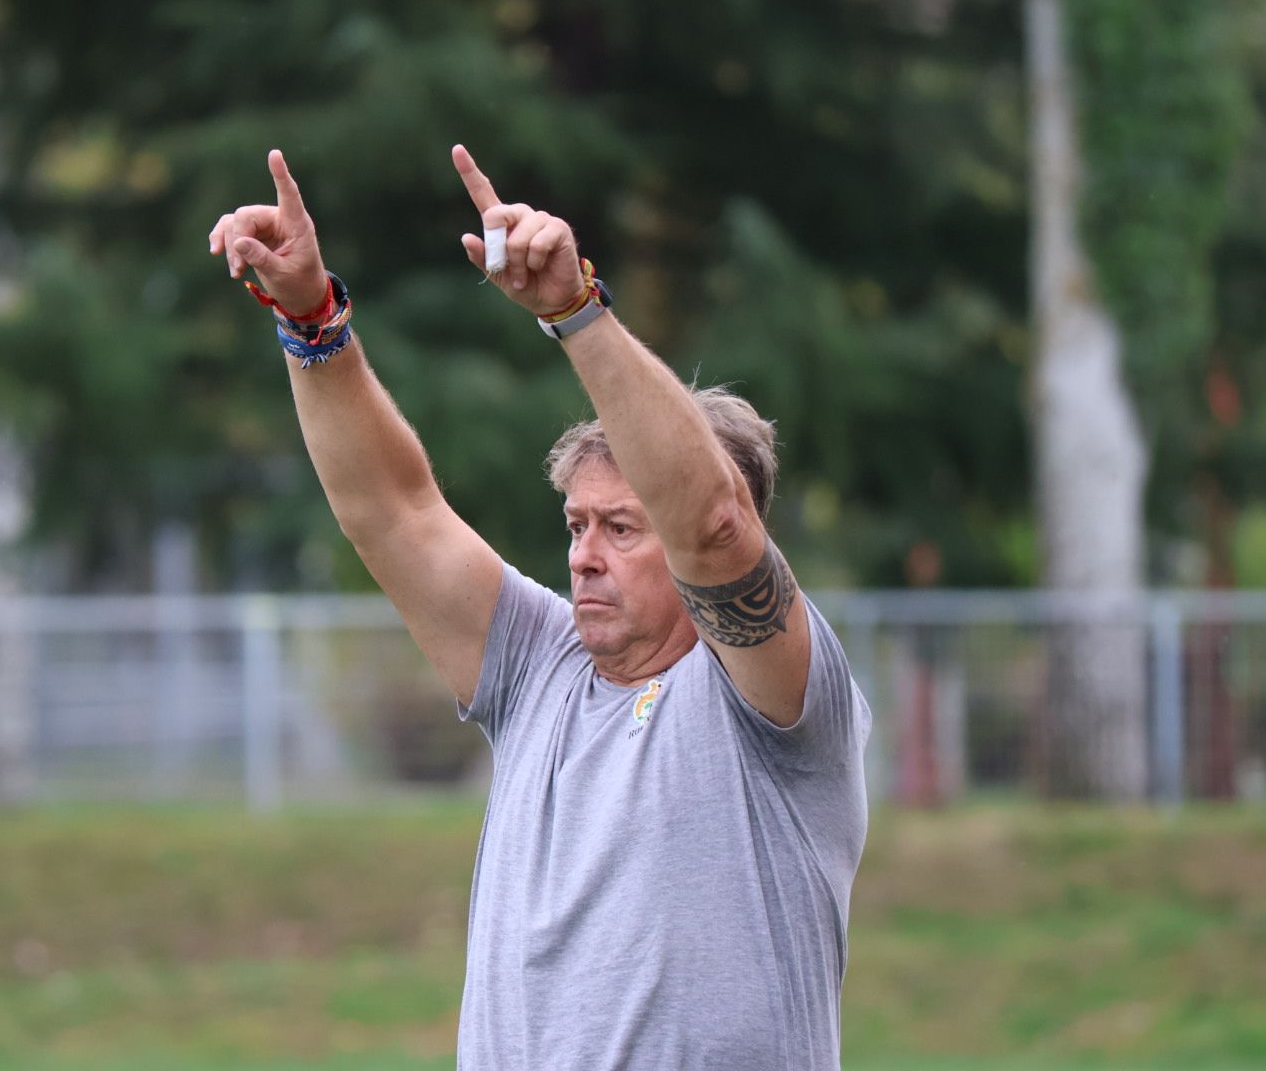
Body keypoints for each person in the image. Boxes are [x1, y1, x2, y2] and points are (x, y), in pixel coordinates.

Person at [210, 145, 870, 1070]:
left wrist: (573, 311)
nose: (583, 557)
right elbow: (391, 511)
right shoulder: (539, 663)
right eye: (576, 524)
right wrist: (310, 316)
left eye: (623, 529)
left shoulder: (771, 696)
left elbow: (713, 525)